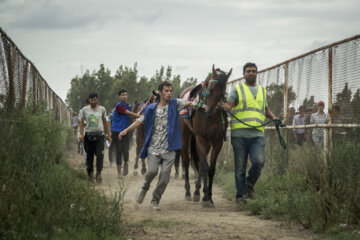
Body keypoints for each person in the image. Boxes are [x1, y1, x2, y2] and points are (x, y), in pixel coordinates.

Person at [119, 81, 195, 211]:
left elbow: (190, 103)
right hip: (154, 149)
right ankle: (144, 187)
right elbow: (139, 121)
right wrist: (126, 131)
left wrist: (199, 104)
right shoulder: (150, 108)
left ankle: (155, 200)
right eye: (166, 91)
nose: (169, 93)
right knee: (151, 172)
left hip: (169, 148)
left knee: (165, 177)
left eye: (170, 91)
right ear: (160, 92)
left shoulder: (175, 104)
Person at [222, 62, 278, 204]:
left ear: (256, 73)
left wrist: (274, 118)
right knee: (240, 167)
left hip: (257, 135)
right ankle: (241, 197)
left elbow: (266, 110)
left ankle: (249, 184)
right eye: (248, 71)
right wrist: (225, 106)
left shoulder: (262, 91)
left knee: (259, 162)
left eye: (253, 71)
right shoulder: (237, 89)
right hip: (239, 135)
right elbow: (229, 105)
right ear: (244, 74)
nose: (251, 73)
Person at [79, 93, 112, 183]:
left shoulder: (102, 109)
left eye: (95, 99)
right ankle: (90, 176)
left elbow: (105, 122)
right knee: (89, 157)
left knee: (100, 156)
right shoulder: (84, 110)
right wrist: (81, 134)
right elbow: (81, 122)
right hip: (88, 136)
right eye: (91, 100)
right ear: (89, 100)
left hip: (100, 136)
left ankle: (98, 174)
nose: (93, 101)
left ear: (97, 99)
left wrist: (108, 135)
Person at [111, 89, 141, 178]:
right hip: (117, 131)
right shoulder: (119, 106)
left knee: (126, 150)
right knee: (119, 151)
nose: (125, 96)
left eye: (126, 94)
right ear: (119, 97)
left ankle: (126, 164)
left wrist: (138, 116)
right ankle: (119, 172)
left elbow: (131, 115)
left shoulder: (127, 105)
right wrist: (140, 116)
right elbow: (128, 113)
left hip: (125, 130)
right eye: (123, 95)